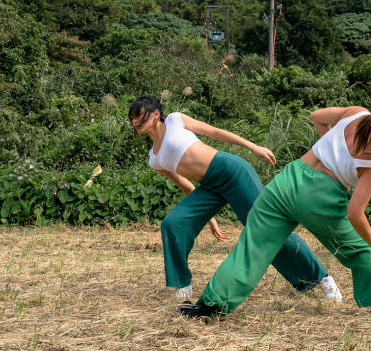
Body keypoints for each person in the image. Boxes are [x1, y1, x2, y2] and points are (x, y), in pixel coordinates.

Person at [180, 103, 371, 319]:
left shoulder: (356, 113)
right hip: (321, 198)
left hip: (288, 179)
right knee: (360, 249)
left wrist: (328, 144)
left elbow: (316, 116)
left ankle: (210, 306)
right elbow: (355, 212)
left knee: (252, 247)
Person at [128, 95, 342, 302]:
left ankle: (321, 277)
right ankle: (182, 285)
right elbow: (185, 185)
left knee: (266, 228)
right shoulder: (154, 158)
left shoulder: (175, 120)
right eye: (133, 118)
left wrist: (253, 147)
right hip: (210, 186)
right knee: (172, 223)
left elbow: (215, 132)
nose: (136, 121)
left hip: (231, 171)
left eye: (140, 115)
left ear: (156, 113)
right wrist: (210, 220)